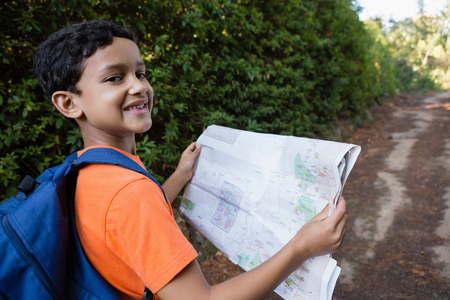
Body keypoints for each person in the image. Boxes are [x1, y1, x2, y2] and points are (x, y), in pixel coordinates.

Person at [33, 20, 348, 300]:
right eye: (115, 78)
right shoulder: (128, 191)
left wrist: (180, 176)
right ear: (69, 103)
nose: (139, 86)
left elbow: (127, 226)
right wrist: (301, 247)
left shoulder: (89, 169)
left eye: (140, 73)